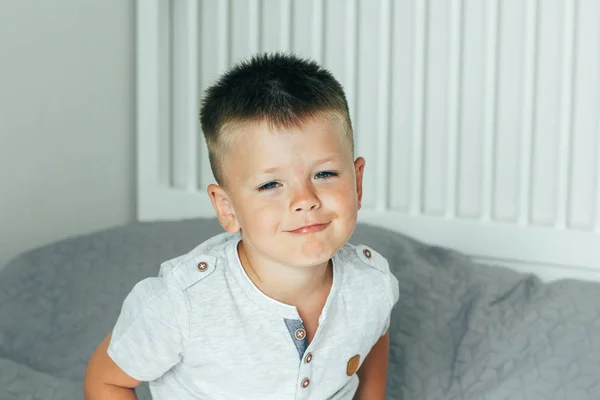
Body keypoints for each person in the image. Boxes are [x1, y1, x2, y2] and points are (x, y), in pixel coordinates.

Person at [84, 52, 399, 399]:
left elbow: (374, 331)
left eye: (324, 174)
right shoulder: (180, 305)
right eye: (270, 185)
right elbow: (107, 379)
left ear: (357, 183)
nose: (304, 199)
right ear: (227, 207)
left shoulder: (373, 283)